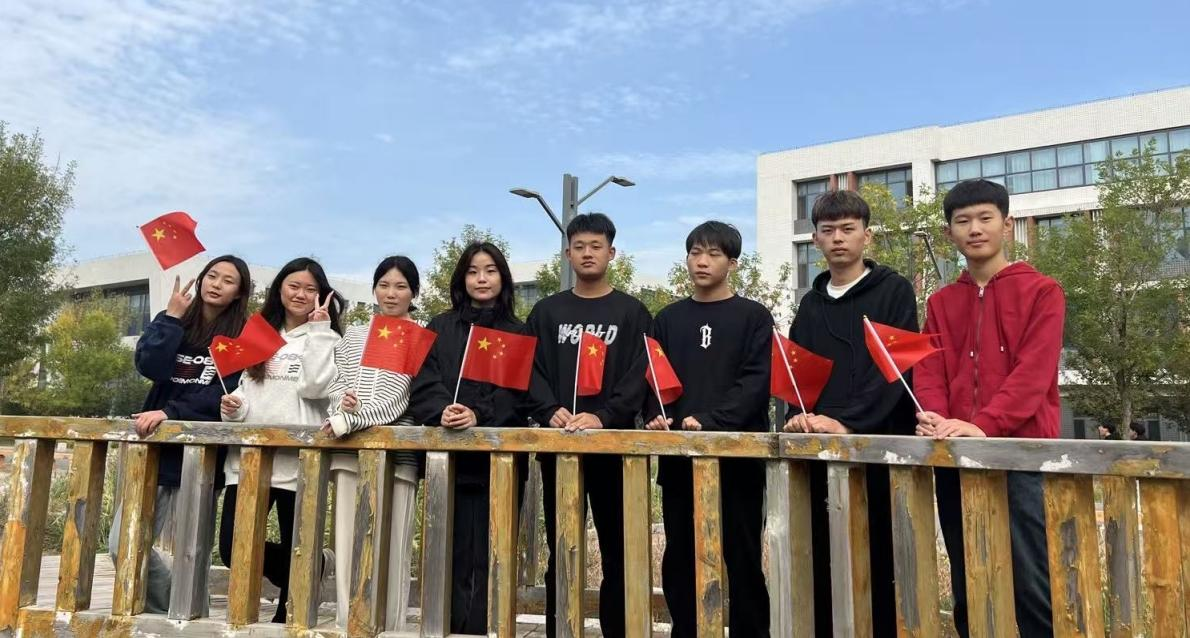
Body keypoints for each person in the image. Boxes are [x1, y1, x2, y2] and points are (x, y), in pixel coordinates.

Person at [915, 178, 1064, 638]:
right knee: (969, 577)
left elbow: (1033, 375)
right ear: (949, 233)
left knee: (1032, 580)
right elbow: (929, 370)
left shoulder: (1043, 291)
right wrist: (936, 417)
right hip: (956, 455)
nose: (975, 229)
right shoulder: (941, 302)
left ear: (1008, 224)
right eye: (963, 221)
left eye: (985, 218)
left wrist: (982, 424)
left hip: (1021, 456)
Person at [781, 190, 918, 637]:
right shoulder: (811, 304)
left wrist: (849, 422)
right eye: (828, 231)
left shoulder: (894, 291)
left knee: (880, 559)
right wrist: (798, 414)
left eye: (848, 229)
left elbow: (896, 370)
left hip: (877, 449)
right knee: (821, 555)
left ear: (867, 236)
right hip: (820, 448)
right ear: (815, 240)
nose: (838, 238)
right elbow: (798, 371)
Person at [524, 213, 651, 638]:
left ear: (612, 252)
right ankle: (561, 630)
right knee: (562, 548)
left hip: (615, 450)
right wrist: (549, 409)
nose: (587, 253)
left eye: (596, 246)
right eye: (579, 247)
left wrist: (604, 415)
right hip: (560, 446)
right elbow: (530, 370)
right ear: (567, 254)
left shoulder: (632, 312)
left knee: (620, 551)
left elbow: (640, 375)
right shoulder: (546, 312)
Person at [645, 221, 772, 638]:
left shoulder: (754, 317)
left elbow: (756, 381)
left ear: (732, 263)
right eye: (695, 252)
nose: (702, 261)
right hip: (679, 460)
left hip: (739, 459)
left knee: (743, 556)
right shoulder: (668, 318)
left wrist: (713, 420)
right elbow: (654, 377)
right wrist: (657, 414)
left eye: (714, 254)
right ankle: (686, 631)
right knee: (680, 556)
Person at [109, 255, 252, 614]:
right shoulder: (173, 320)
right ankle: (170, 608)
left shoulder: (240, 337)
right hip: (154, 449)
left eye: (228, 281)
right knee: (122, 543)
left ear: (239, 292)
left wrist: (170, 412)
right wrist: (171, 318)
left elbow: (224, 395)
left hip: (201, 456)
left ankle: (192, 616)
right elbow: (151, 367)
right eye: (212, 276)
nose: (216, 284)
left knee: (194, 555)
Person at [409, 242, 529, 633]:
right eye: (473, 271)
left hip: (499, 463)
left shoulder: (518, 331)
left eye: (490, 270)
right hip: (448, 461)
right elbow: (423, 380)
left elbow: (519, 394)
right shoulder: (438, 326)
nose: (481, 278)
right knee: (449, 549)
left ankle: (488, 628)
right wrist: (443, 410)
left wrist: (480, 415)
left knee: (494, 551)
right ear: (462, 278)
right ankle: (449, 627)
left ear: (502, 277)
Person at [218, 257, 342, 623]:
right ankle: (316, 568)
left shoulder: (329, 339)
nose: (301, 294)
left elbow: (315, 388)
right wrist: (234, 407)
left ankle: (289, 611)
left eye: (310, 289)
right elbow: (247, 391)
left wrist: (319, 330)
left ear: (322, 295)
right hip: (250, 459)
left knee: (296, 545)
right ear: (280, 289)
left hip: (299, 460)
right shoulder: (259, 333)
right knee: (232, 546)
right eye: (294, 286)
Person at [304, 255, 423, 631]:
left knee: (394, 544)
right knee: (348, 543)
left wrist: (353, 419)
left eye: (401, 286)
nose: (391, 293)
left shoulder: (420, 334)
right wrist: (344, 403)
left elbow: (402, 397)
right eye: (384, 285)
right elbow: (336, 381)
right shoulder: (355, 333)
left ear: (414, 293)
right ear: (374, 290)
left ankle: (391, 626)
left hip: (398, 453)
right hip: (349, 448)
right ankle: (347, 623)